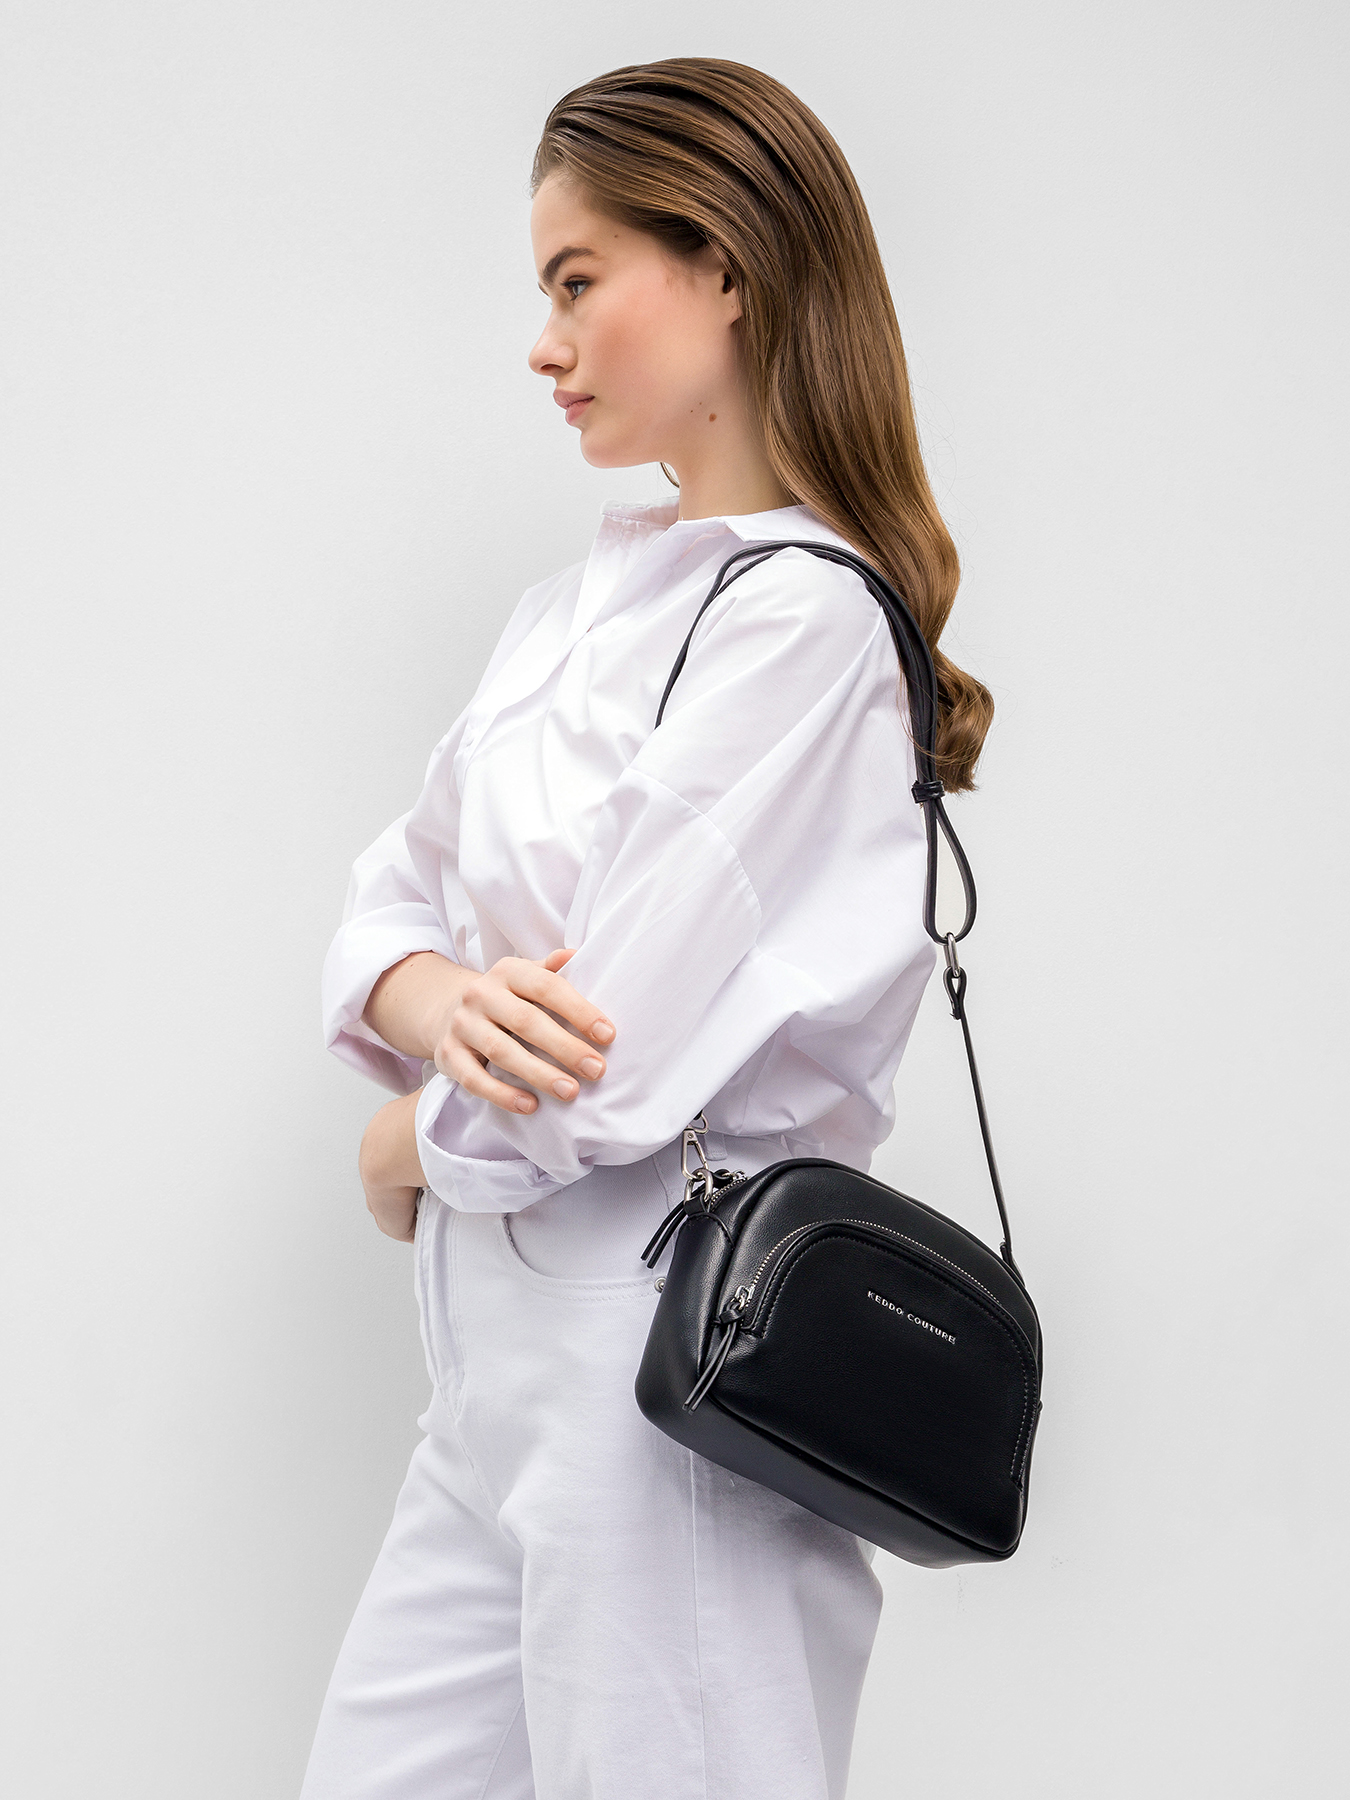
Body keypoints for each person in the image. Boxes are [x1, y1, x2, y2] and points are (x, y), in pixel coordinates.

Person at [300, 56, 993, 1800]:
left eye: (575, 281)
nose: (543, 347)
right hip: (485, 1378)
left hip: (667, 1369)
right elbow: (386, 898)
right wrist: (438, 997)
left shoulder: (802, 625)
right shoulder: (565, 612)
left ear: (725, 264)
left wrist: (400, 1135)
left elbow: (596, 1068)